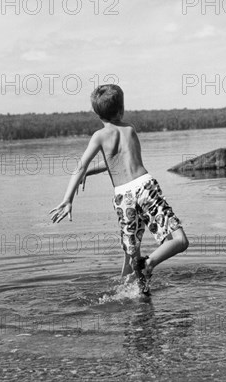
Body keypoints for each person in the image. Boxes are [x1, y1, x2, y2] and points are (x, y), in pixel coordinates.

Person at [49, 84, 189, 293]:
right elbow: (119, 160)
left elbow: (87, 164)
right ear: (121, 110)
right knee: (180, 240)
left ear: (97, 114)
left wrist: (68, 199)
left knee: (131, 254)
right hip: (145, 187)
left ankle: (134, 293)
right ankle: (150, 263)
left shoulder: (99, 136)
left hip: (124, 197)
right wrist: (88, 172)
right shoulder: (130, 129)